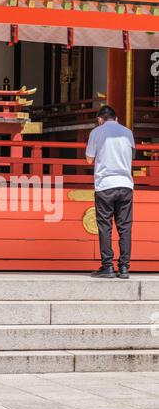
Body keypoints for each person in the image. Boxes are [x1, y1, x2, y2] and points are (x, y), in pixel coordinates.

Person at [86, 105, 136, 279]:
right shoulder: (128, 133)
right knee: (125, 227)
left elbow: (89, 159)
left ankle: (107, 266)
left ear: (100, 119)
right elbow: (133, 155)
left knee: (105, 226)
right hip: (125, 184)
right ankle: (124, 268)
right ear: (116, 119)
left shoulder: (96, 132)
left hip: (105, 185)